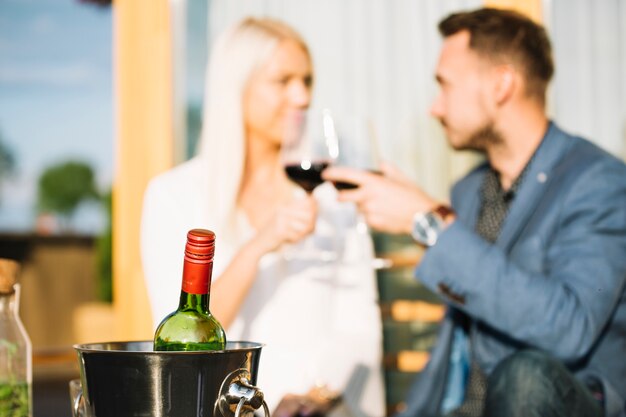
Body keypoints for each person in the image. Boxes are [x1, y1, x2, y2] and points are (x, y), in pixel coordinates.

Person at [323, 7, 626, 417]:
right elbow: (454, 352)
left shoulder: (599, 181)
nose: (435, 107)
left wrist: (428, 222)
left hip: (550, 403)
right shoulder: (470, 191)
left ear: (501, 84)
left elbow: (569, 327)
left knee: (524, 376)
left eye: (445, 86)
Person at [140, 17, 385, 417]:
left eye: (307, 80)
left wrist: (311, 397)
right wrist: (258, 246)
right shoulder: (172, 196)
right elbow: (180, 341)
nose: (302, 96)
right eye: (283, 80)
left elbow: (359, 326)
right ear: (236, 87)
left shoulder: (331, 200)